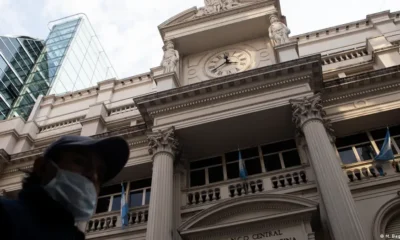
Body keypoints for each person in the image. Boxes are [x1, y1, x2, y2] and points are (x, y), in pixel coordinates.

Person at [0, 135, 130, 240]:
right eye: (80, 162)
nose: (93, 176)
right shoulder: (6, 214)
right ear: (42, 168)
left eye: (100, 175)